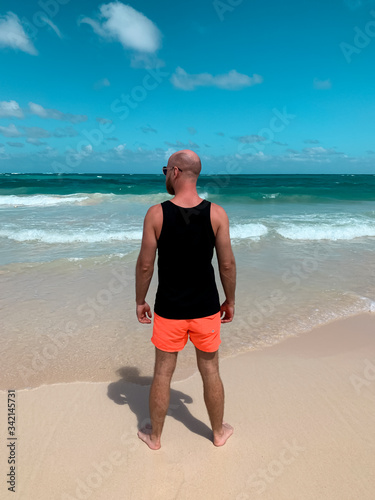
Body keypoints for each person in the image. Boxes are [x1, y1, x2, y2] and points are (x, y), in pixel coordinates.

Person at [135, 149, 236, 450]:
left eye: (166, 169)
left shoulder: (157, 213)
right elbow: (227, 264)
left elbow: (144, 264)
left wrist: (140, 300)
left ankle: (155, 438)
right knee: (211, 372)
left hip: (169, 310)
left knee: (162, 374)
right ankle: (218, 433)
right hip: (206, 309)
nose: (165, 173)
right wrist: (229, 300)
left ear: (176, 172)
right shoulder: (216, 213)